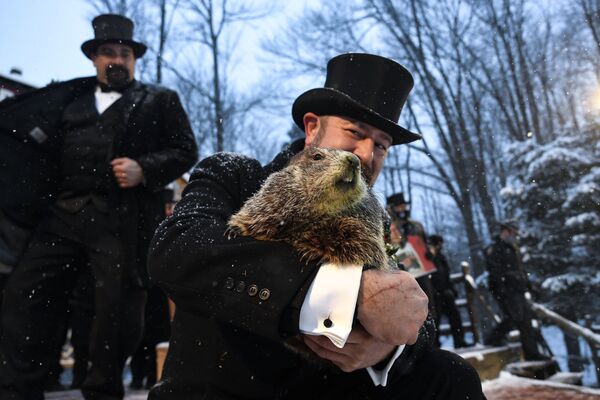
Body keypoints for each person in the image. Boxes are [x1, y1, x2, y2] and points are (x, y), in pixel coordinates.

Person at [148, 53, 485, 399]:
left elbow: (415, 308)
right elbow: (176, 249)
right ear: (312, 128)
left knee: (452, 377)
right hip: (229, 382)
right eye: (355, 132)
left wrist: (386, 350)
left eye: (381, 146)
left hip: (331, 386)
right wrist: (339, 295)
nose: (367, 155)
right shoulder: (234, 176)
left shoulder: (377, 218)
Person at [0, 14, 198, 400]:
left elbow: (184, 150)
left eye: (124, 53)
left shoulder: (158, 100)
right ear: (94, 57)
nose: (117, 60)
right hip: (61, 215)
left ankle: (102, 388)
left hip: (119, 219)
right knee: (27, 293)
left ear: (134, 59)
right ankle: (20, 386)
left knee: (117, 304)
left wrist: (145, 169)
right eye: (108, 52)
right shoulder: (69, 100)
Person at [484, 220, 546, 360]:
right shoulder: (495, 249)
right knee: (514, 318)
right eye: (513, 232)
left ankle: (532, 354)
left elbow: (520, 271)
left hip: (518, 289)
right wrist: (502, 290)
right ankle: (493, 339)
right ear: (505, 231)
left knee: (525, 321)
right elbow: (495, 272)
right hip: (507, 290)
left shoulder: (513, 249)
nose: (515, 236)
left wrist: (530, 287)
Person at [386, 192, 437, 316]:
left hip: (422, 273)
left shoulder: (415, 226)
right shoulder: (387, 227)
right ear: (392, 208)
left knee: (430, 307)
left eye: (404, 206)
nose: (403, 209)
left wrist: (431, 252)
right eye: (399, 207)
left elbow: (428, 243)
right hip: (400, 274)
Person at [428, 234, 468, 348]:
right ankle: (435, 346)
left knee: (455, 317)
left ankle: (459, 341)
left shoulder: (441, 258)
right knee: (436, 320)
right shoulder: (428, 257)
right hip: (434, 295)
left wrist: (451, 289)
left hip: (445, 292)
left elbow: (446, 275)